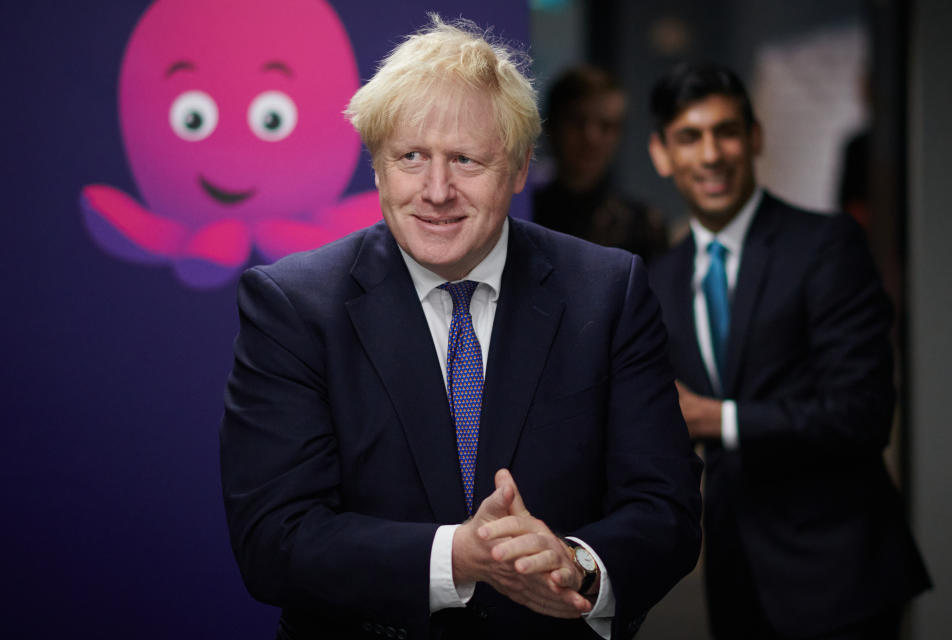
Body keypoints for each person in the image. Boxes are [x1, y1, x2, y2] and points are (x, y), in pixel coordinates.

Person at [220, 16, 702, 640]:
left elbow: (665, 509)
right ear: (377, 166)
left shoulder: (609, 292)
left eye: (466, 160)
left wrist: (578, 564)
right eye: (411, 157)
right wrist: (456, 557)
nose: (436, 190)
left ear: (522, 167)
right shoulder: (292, 306)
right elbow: (273, 538)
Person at [646, 62, 930, 639]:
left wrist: (715, 418)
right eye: (689, 137)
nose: (711, 155)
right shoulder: (656, 280)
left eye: (726, 132)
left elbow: (864, 413)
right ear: (661, 154)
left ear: (755, 138)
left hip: (840, 576)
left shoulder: (826, 246)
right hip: (733, 576)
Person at [533, 65, 668, 262]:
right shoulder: (522, 214)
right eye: (578, 122)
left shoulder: (643, 226)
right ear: (551, 126)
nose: (591, 138)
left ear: (619, 135)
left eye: (606, 126)